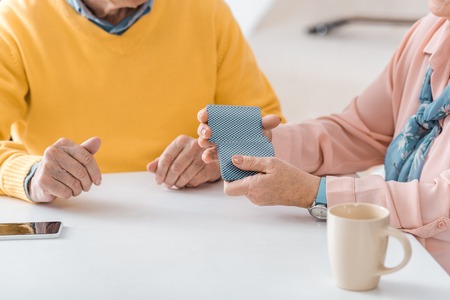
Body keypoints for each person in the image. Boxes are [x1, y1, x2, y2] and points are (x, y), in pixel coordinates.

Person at [198, 0, 450, 273]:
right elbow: (359, 130)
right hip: (391, 261)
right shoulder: (430, 31)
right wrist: (266, 145)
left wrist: (315, 193)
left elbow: (441, 202)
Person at [0, 0, 284, 203]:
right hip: (74, 215)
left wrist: (219, 156)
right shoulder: (14, 20)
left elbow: (268, 124)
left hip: (192, 214)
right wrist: (32, 176)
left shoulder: (207, 10)